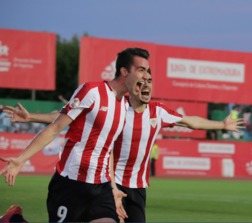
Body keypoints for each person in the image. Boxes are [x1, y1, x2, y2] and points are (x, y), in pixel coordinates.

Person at [4, 71, 245, 223]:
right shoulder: (117, 107)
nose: (146, 85)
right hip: (108, 183)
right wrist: (32, 117)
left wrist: (222, 124)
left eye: (150, 81)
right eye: (141, 82)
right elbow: (66, 116)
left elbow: (191, 121)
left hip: (137, 188)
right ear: (131, 87)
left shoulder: (158, 112)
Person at [0, 47, 151, 222]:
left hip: (100, 188)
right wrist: (21, 159)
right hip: (70, 185)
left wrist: (113, 188)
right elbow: (57, 126)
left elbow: (107, 149)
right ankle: (12, 220)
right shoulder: (92, 91)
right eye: (141, 70)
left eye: (147, 71)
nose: (146, 76)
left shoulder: (125, 106)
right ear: (124, 71)